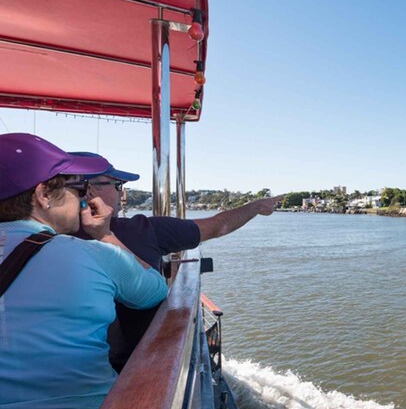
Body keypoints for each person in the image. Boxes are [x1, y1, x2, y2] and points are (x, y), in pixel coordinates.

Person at [0, 134, 168, 409]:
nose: (83, 200)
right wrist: (104, 233)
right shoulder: (93, 255)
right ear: (43, 195)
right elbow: (154, 291)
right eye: (78, 191)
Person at [70, 152, 281, 371]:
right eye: (117, 184)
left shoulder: (48, 241)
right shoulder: (144, 231)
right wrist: (256, 207)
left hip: (77, 373)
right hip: (141, 370)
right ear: (89, 190)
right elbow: (219, 226)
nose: (120, 192)